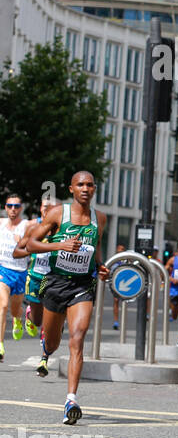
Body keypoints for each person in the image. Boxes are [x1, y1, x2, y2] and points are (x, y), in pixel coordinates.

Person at [24, 172, 109, 422]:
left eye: (90, 185)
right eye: (80, 184)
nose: (85, 188)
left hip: (82, 286)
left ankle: (71, 399)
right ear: (71, 189)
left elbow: (97, 250)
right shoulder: (57, 214)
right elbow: (30, 244)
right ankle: (46, 348)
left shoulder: (100, 219)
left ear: (94, 189)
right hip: (55, 283)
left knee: (78, 337)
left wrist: (101, 267)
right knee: (52, 343)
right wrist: (58, 246)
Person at [18, 199, 58, 337]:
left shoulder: (62, 231)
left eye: (52, 208)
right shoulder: (34, 229)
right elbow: (17, 252)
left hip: (53, 279)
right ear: (40, 208)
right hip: (35, 277)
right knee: (37, 320)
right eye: (45, 207)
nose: (48, 210)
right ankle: (30, 315)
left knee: (51, 311)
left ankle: (45, 336)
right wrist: (34, 249)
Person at [0, 194, 32, 356]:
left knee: (14, 310)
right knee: (3, 305)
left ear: (21, 208)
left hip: (20, 273)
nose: (13, 209)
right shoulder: (1, 223)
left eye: (16, 206)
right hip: (3, 270)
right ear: (5, 207)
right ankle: (0, 346)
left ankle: (19, 319)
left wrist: (23, 241)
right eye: (10, 206)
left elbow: (46, 222)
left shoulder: (27, 225)